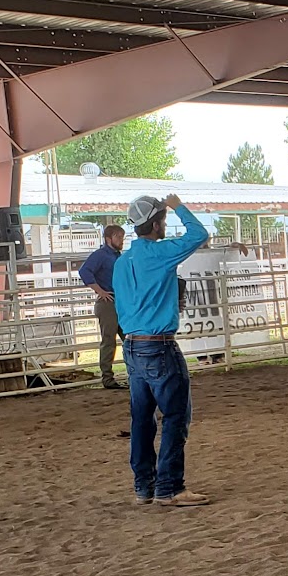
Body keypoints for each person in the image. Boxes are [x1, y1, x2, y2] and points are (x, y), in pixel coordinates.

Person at [113, 193, 211, 507]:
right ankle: (170, 486)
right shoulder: (158, 254)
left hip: (132, 345)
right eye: (164, 220)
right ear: (156, 224)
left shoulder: (122, 261)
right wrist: (178, 205)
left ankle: (145, 485)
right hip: (159, 346)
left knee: (141, 418)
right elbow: (199, 235)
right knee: (175, 415)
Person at [77, 223, 127, 390]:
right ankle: (108, 377)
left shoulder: (116, 256)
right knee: (110, 340)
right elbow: (84, 271)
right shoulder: (101, 255)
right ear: (108, 239)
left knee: (129, 338)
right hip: (109, 302)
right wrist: (100, 291)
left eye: (122, 237)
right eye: (118, 237)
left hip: (119, 301)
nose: (121, 240)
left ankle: (132, 373)